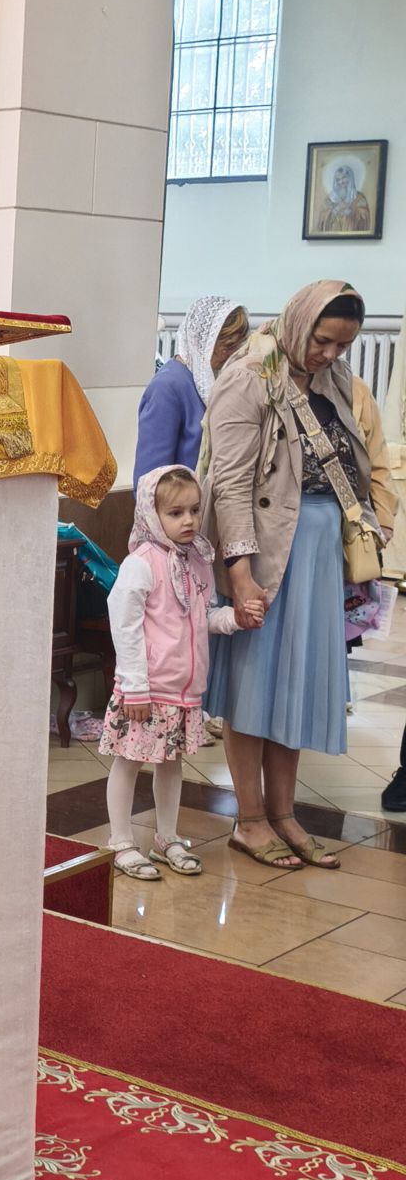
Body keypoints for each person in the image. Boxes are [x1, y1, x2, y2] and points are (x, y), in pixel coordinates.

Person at [205, 281, 379, 869]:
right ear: (299, 321)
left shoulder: (331, 378)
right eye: (322, 341)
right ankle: (250, 820)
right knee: (253, 686)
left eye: (342, 346)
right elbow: (230, 484)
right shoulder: (249, 374)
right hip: (268, 555)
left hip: (318, 556)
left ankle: (284, 814)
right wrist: (240, 573)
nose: (329, 354)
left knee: (296, 687)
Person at [99, 465, 262, 879]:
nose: (188, 520)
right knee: (129, 761)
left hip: (182, 691)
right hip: (146, 690)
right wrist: (135, 686)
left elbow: (203, 616)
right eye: (175, 513)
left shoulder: (197, 561)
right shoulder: (141, 564)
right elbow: (125, 625)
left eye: (193, 510)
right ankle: (120, 840)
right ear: (151, 514)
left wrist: (235, 619)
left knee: (171, 763)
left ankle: (167, 837)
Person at [133, 295, 248, 487]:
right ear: (203, 341)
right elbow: (151, 477)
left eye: (238, 346)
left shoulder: (207, 381)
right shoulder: (168, 386)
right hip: (179, 503)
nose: (233, 355)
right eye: (228, 346)